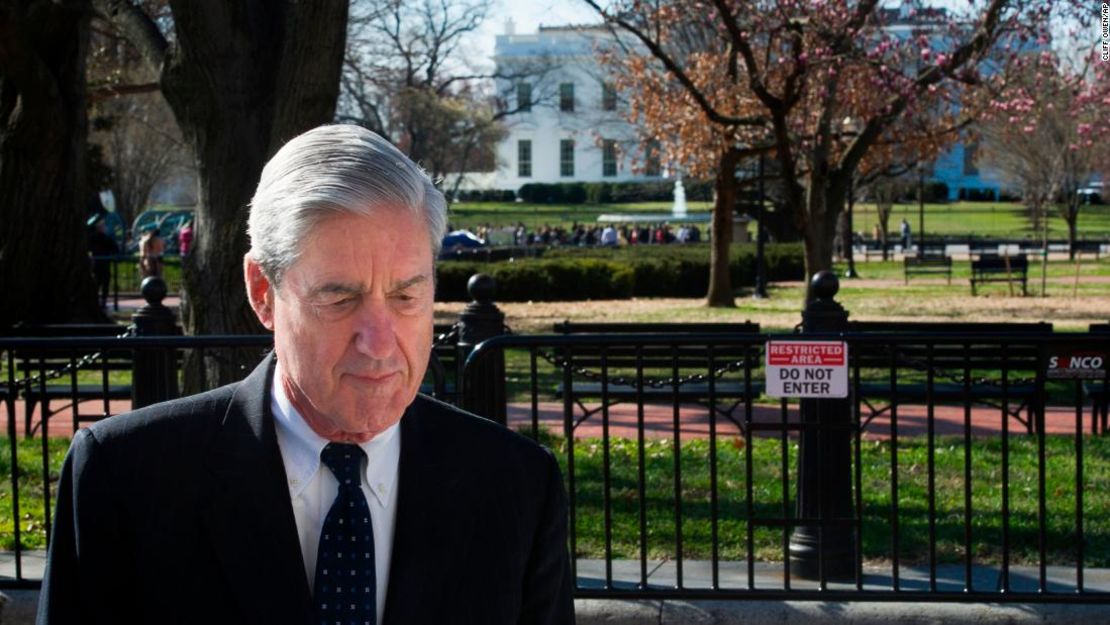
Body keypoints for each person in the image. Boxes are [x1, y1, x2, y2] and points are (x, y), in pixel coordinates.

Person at [37, 125, 575, 625]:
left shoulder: (518, 486)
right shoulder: (126, 477)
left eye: (407, 296)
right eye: (340, 298)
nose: (381, 342)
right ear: (262, 292)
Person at [86, 216, 119, 309]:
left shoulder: (97, 238)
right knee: (101, 283)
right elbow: (115, 249)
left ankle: (101, 301)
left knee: (101, 283)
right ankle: (100, 301)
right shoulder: (104, 238)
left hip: (99, 263)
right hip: (100, 263)